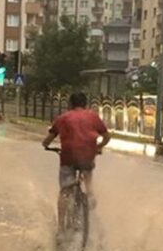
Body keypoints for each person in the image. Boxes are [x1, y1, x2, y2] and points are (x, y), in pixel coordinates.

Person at [42, 92, 111, 226]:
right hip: (88, 157)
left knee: (64, 192)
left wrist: (46, 145)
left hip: (68, 157)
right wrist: (98, 147)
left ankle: (61, 226)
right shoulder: (93, 117)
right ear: (85, 104)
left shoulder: (63, 118)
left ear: (70, 104)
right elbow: (107, 137)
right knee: (88, 173)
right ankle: (90, 196)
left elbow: (47, 141)